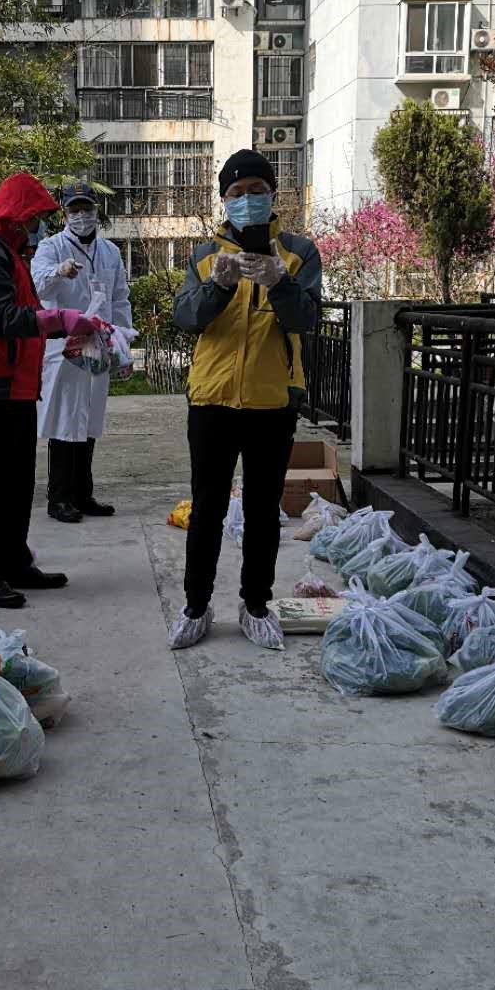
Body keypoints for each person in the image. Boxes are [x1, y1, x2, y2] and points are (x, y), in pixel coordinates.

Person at [167, 149, 321, 652]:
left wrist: (279, 281)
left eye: (257, 191)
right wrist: (217, 286)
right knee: (207, 509)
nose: (248, 200)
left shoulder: (298, 252)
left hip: (271, 402)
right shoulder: (204, 255)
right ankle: (196, 606)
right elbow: (186, 318)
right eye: (236, 193)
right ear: (224, 200)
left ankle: (256, 605)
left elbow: (305, 319)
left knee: (262, 511)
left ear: (273, 194)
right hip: (211, 399)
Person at [0, 172, 103, 610]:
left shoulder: (7, 251)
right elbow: (1, 319)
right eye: (35, 217)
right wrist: (61, 320)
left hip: (13, 384)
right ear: (17, 215)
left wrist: (69, 330)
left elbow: (29, 314)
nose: (38, 225)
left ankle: (15, 563)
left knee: (18, 483)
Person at [31, 181, 133, 523]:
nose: (81, 216)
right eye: (74, 210)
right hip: (64, 344)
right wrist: (59, 272)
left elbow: (120, 298)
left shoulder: (110, 252)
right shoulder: (51, 247)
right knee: (64, 420)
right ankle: (59, 497)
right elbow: (39, 284)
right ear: (64, 213)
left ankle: (82, 494)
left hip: (99, 343)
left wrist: (124, 344)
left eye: (86, 209)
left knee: (89, 419)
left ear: (95, 210)